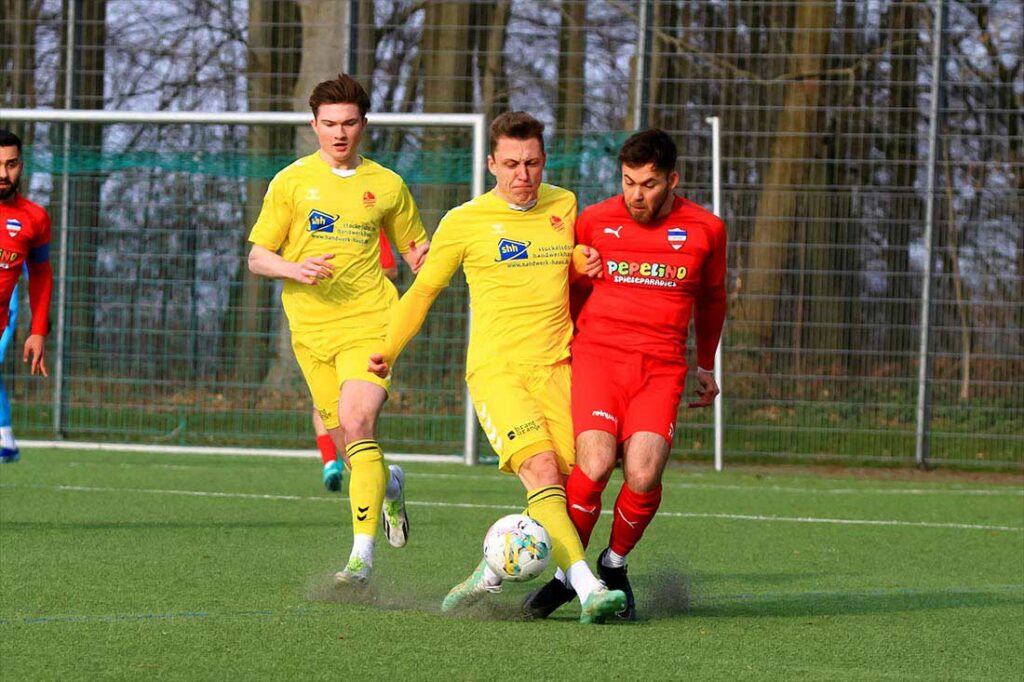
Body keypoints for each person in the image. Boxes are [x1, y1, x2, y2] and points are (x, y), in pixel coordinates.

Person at [368, 111, 626, 624]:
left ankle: (491, 569)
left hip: (559, 367)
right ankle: (588, 586)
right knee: (542, 471)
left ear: (544, 161)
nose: (522, 174)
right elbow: (422, 293)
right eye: (510, 163)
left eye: (531, 163)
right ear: (491, 163)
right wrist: (387, 350)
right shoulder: (464, 221)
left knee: (582, 482)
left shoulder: (564, 204)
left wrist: (577, 259)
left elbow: (567, 264)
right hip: (498, 372)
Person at [523, 129, 727, 621]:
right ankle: (567, 577)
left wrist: (706, 364)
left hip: (660, 368)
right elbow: (567, 287)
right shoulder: (594, 220)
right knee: (592, 465)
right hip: (598, 358)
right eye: (628, 182)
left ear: (672, 180)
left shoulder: (707, 229)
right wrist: (575, 272)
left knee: (643, 471)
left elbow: (712, 298)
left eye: (650, 184)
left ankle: (613, 564)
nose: (637, 195)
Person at [246, 74, 429, 585]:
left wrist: (432, 261)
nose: (339, 133)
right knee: (351, 448)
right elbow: (258, 257)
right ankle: (390, 487)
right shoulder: (291, 181)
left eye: (349, 123)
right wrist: (293, 268)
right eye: (329, 124)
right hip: (311, 335)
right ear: (314, 125)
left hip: (372, 321)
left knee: (358, 418)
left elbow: (416, 250)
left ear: (363, 124)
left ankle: (360, 558)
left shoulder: (388, 185)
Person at [317, 231, 399, 492]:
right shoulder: (312, 225)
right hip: (320, 328)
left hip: (363, 329)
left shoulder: (367, 225)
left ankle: (341, 464)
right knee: (323, 403)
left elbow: (390, 269)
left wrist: (355, 284)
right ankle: (333, 462)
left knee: (356, 416)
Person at [0, 129, 53, 464]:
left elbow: (41, 273)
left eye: (11, 164)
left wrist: (38, 330)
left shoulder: (34, 219)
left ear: (21, 165)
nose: (3, 174)